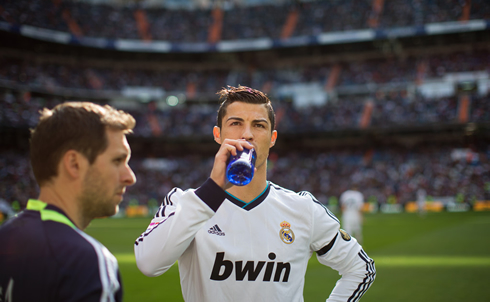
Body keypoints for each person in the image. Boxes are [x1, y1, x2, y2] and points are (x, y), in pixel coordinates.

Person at [135, 86, 375, 302]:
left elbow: (360, 268)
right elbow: (148, 263)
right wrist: (212, 191)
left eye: (258, 125)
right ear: (218, 134)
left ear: (272, 139)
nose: (247, 134)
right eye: (236, 123)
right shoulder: (184, 202)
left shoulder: (303, 209)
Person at [0, 102, 136, 302]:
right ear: (74, 164)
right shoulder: (86, 261)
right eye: (117, 161)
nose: (130, 177)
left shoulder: (6, 235)